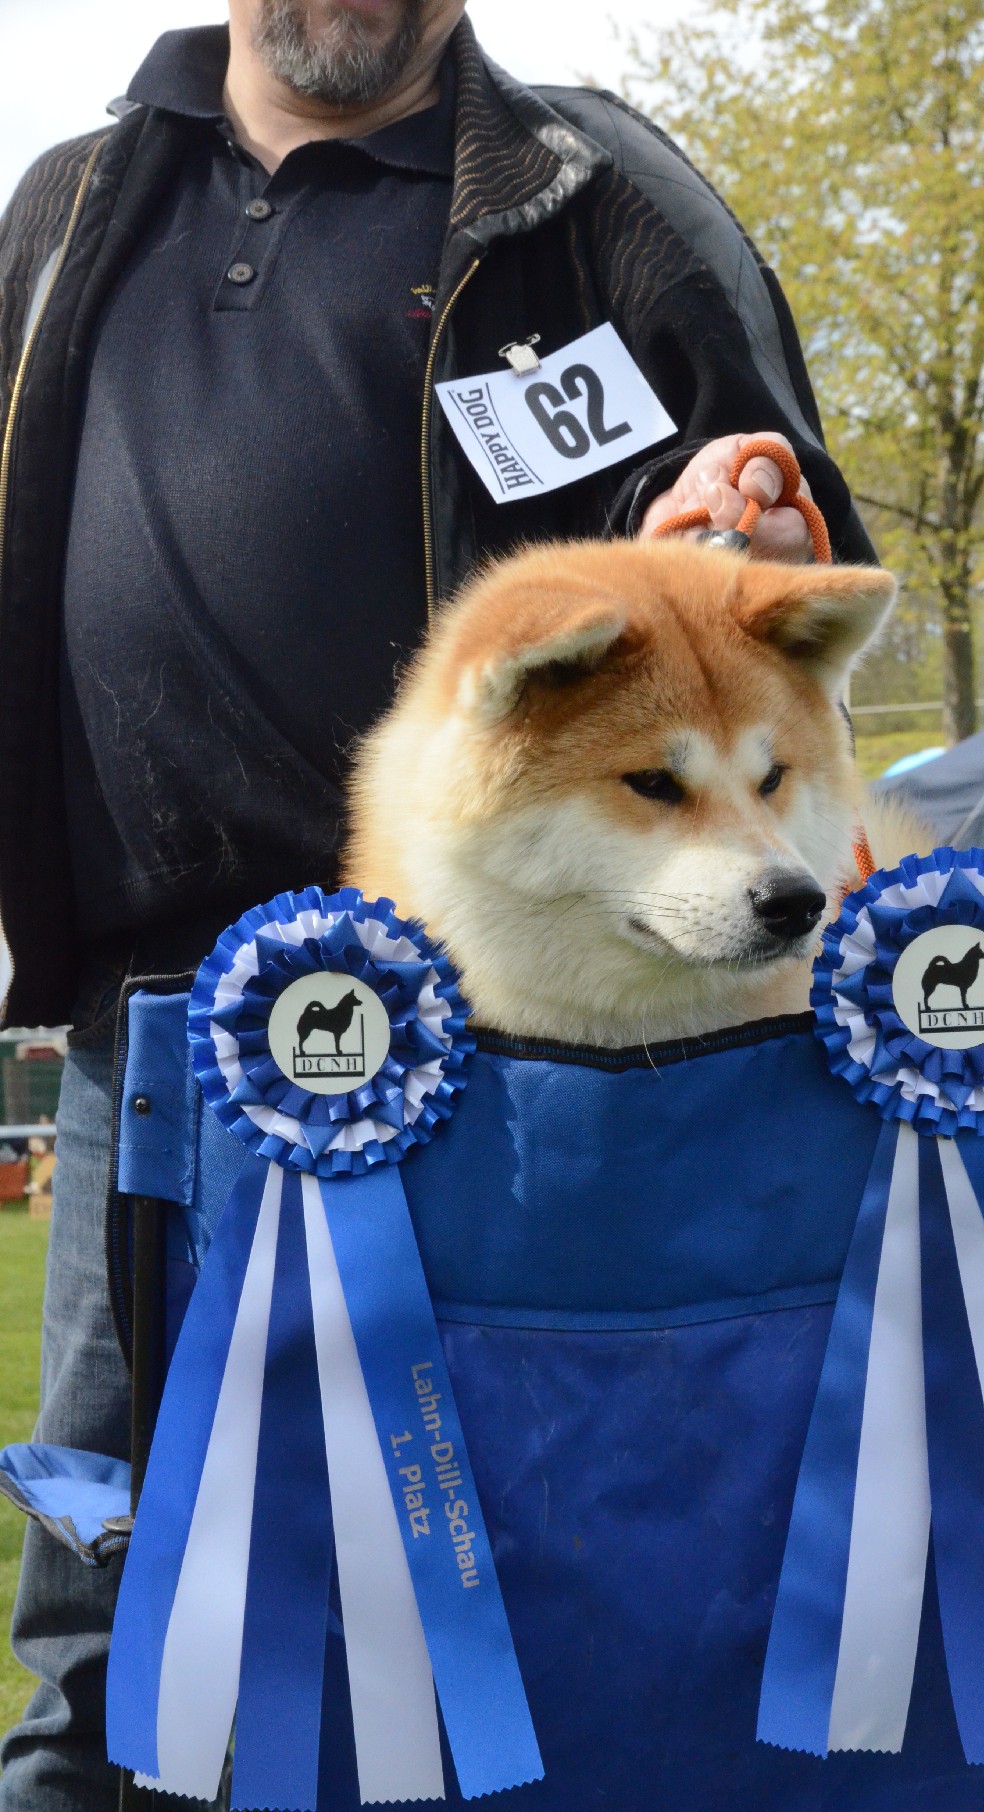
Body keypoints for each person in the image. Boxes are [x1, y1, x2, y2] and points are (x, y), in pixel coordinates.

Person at [0, 2, 873, 1805]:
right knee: (105, 1593)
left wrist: (752, 521)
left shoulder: (598, 193)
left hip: (495, 1047)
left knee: (498, 1585)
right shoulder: (73, 197)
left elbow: (787, 570)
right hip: (142, 1033)